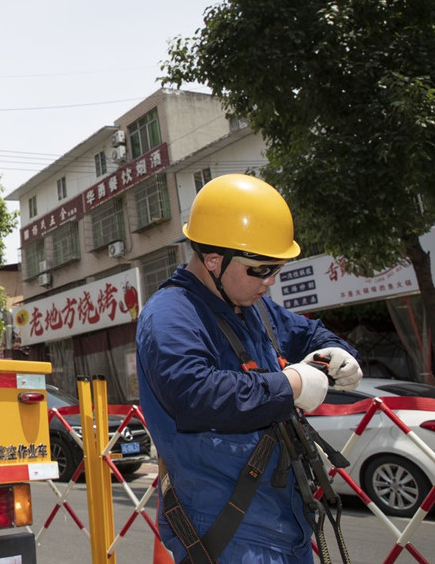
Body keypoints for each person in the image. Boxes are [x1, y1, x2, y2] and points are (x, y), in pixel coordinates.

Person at [135, 173, 362, 564]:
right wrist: (290, 384)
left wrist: (334, 353)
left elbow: (310, 334)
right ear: (212, 259)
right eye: (261, 269)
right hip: (226, 527)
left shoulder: (254, 308)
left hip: (283, 520)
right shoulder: (170, 315)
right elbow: (195, 394)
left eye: (278, 268)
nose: (271, 281)